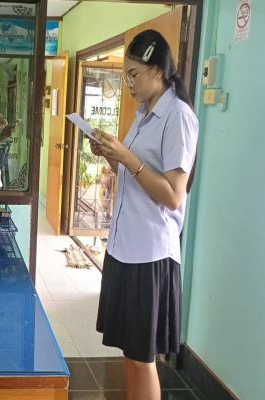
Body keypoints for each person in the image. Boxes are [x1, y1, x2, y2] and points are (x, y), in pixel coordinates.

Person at [90, 30, 198, 400]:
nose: (129, 83)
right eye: (126, 75)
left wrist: (127, 157)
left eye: (134, 74)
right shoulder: (143, 114)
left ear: (158, 71)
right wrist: (111, 156)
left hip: (151, 255)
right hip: (124, 247)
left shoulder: (178, 117)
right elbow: (135, 174)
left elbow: (173, 195)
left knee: (143, 358)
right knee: (130, 354)